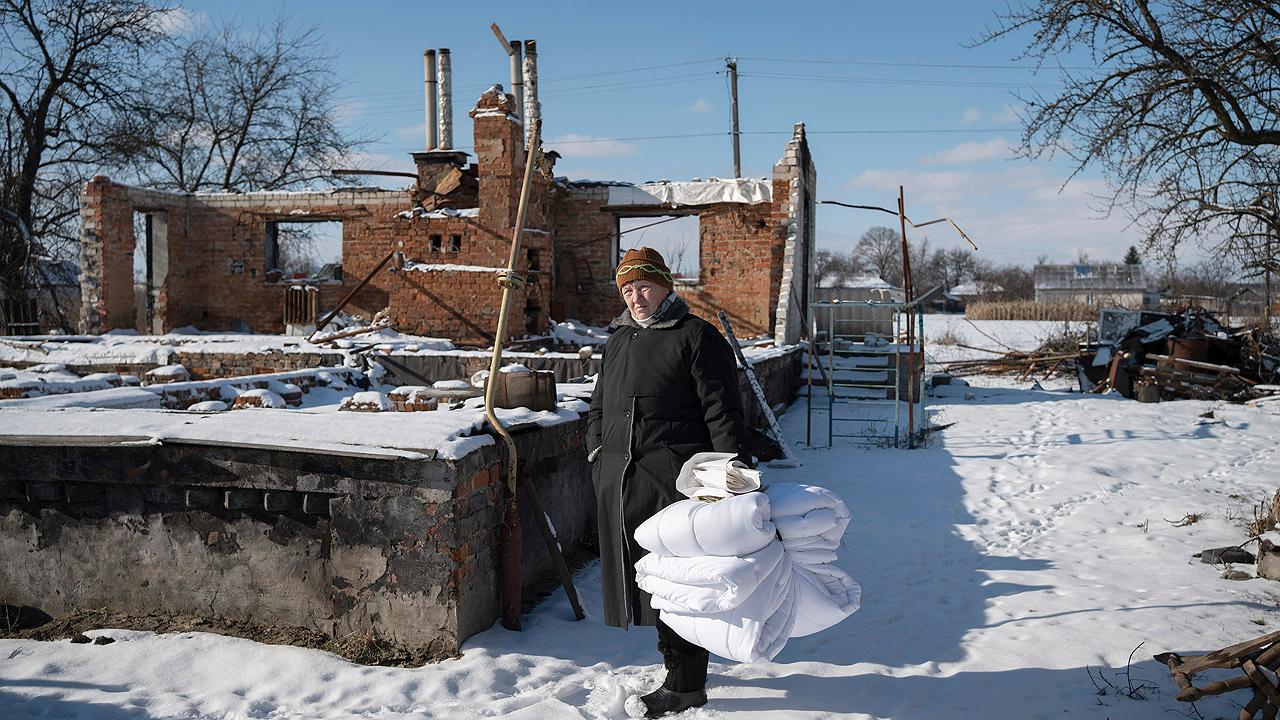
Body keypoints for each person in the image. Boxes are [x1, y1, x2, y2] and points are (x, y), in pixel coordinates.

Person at [587, 246, 752, 718]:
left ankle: (684, 684)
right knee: (646, 581)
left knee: (678, 583)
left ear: (665, 286)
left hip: (677, 484)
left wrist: (728, 476)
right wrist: (598, 455)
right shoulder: (618, 339)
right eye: (627, 289)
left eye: (643, 287)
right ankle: (675, 670)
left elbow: (723, 412)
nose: (635, 298)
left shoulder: (696, 337)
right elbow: (599, 407)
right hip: (621, 480)